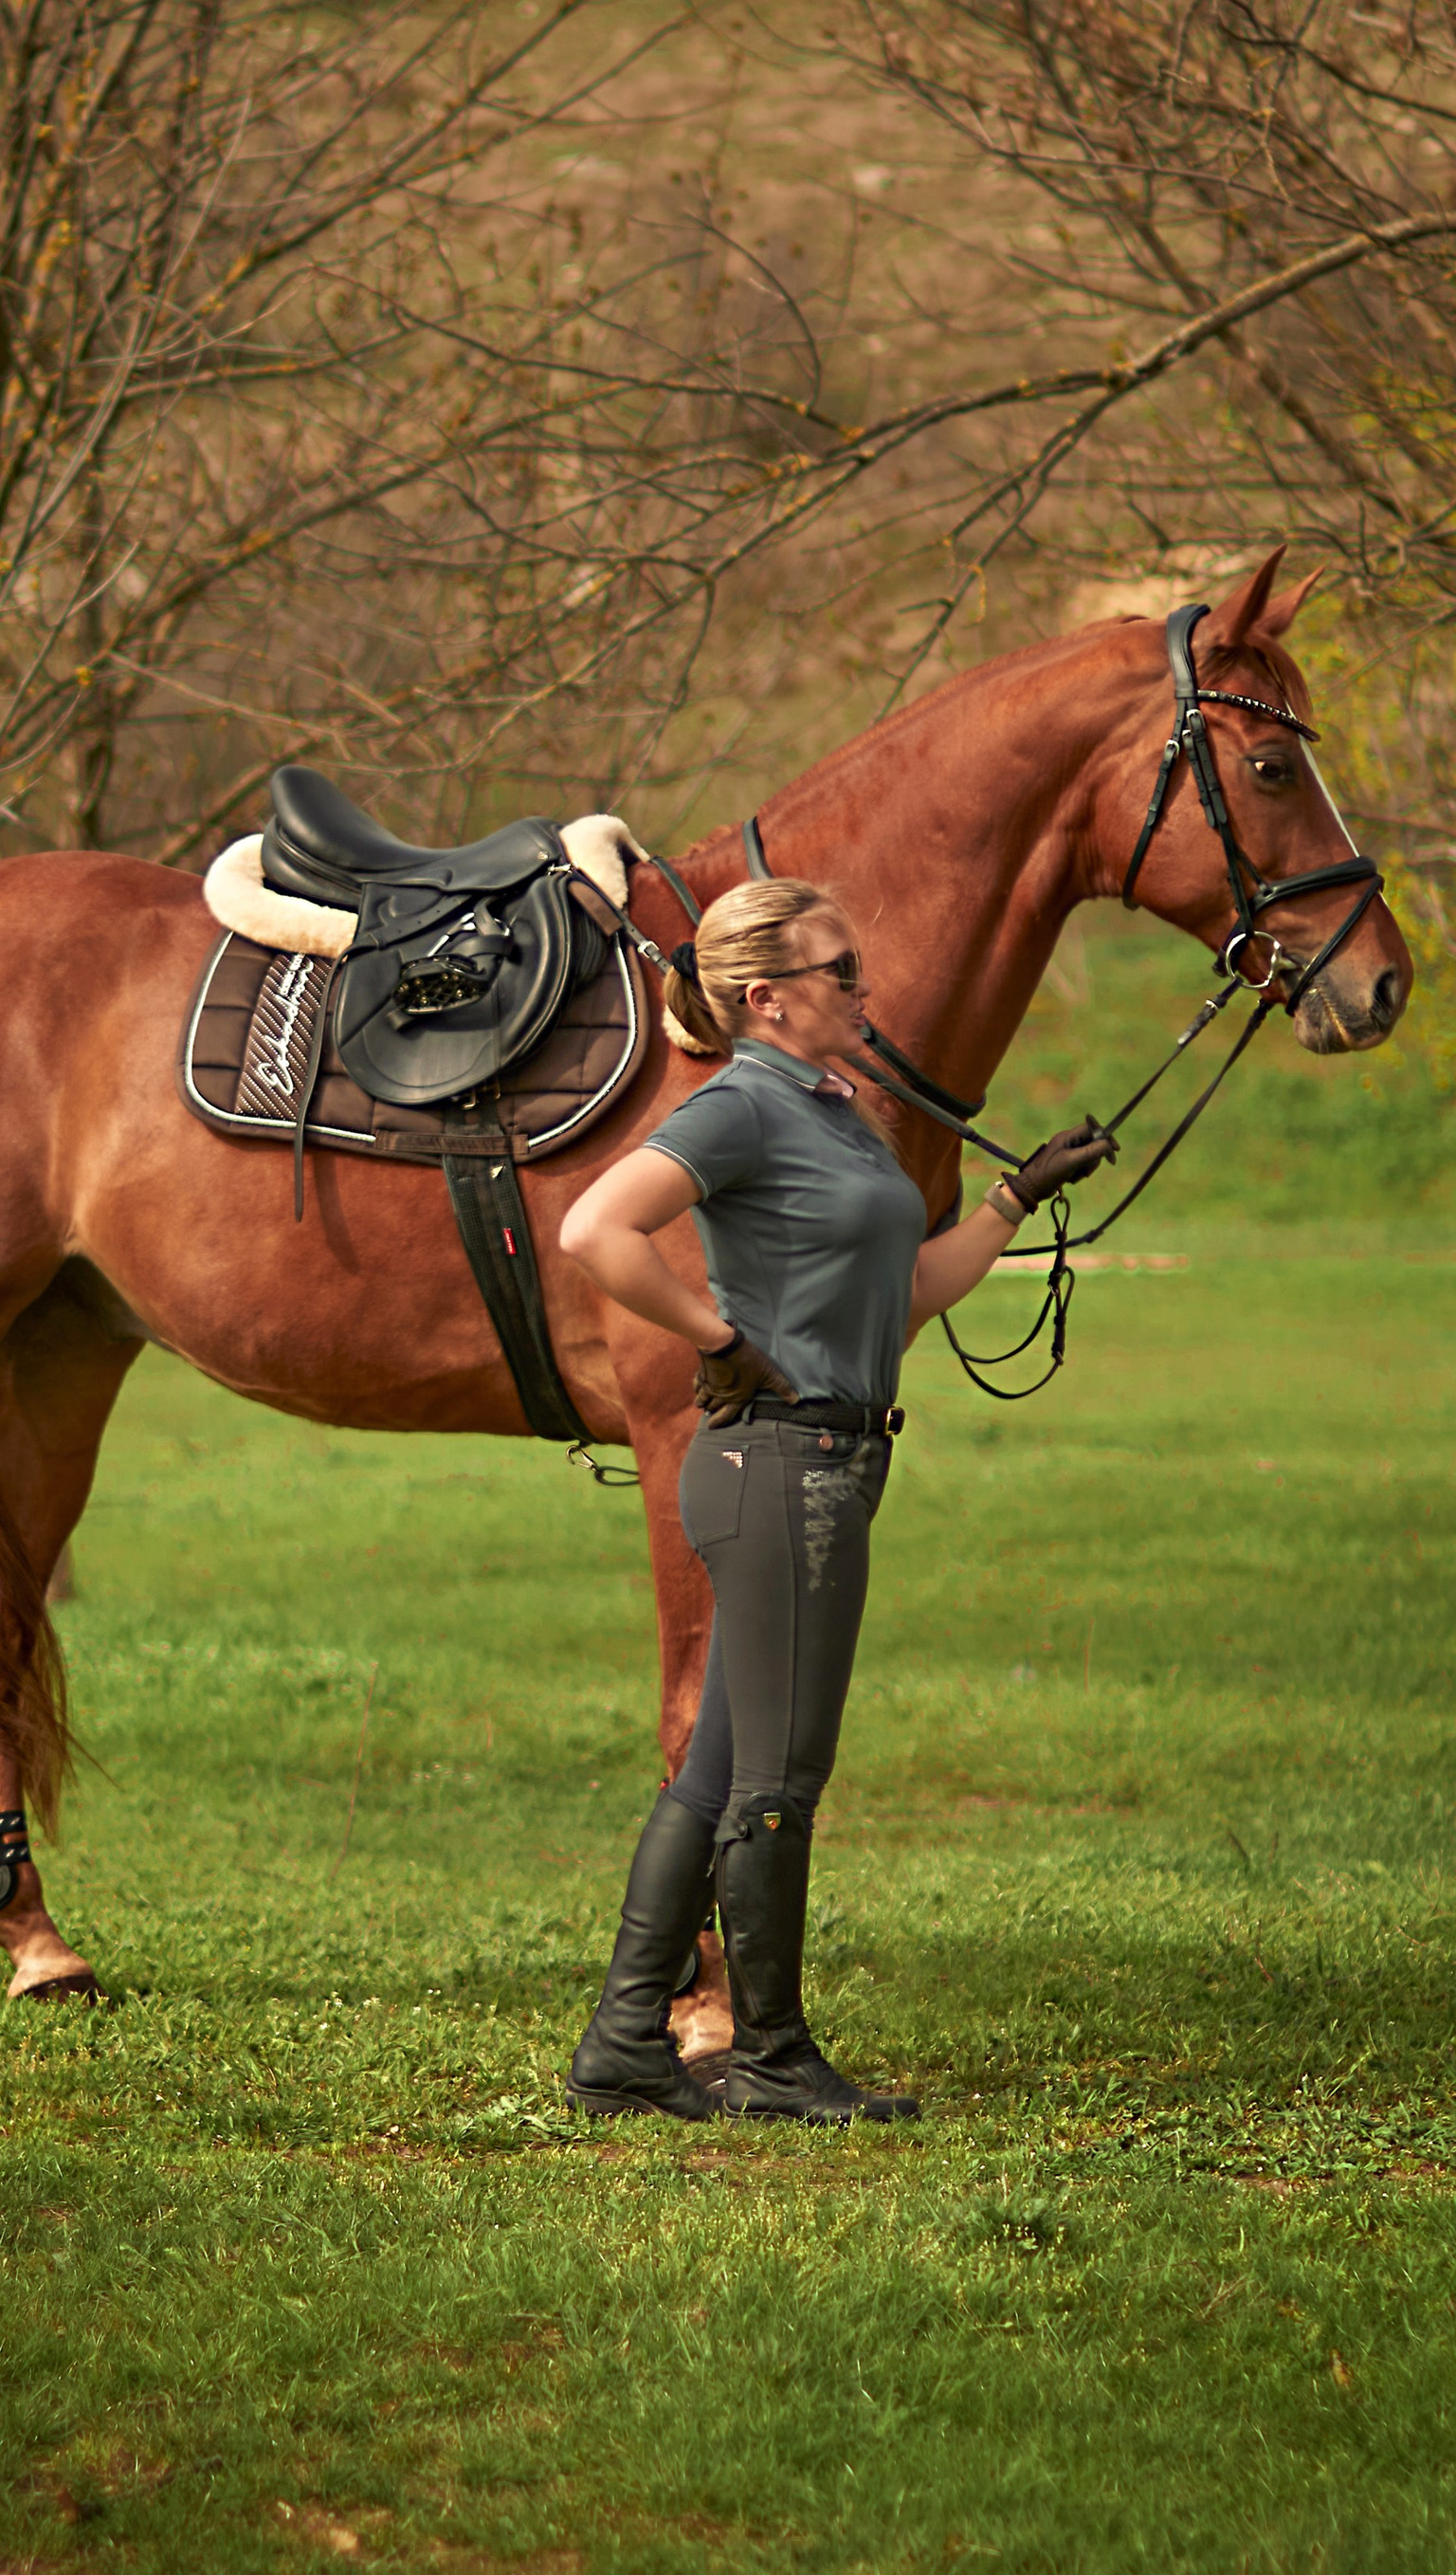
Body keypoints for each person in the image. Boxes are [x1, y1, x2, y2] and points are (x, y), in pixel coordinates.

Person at [556, 876, 1111, 2125]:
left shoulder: (836, 1111)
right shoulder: (743, 1104)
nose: (864, 987)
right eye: (840, 970)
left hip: (819, 1459)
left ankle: (621, 2047)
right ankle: (770, 2056)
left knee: (716, 1770)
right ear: (767, 996)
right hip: (780, 1466)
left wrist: (1020, 1195)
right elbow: (598, 1227)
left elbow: (901, 1296)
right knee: (775, 1776)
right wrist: (710, 1331)